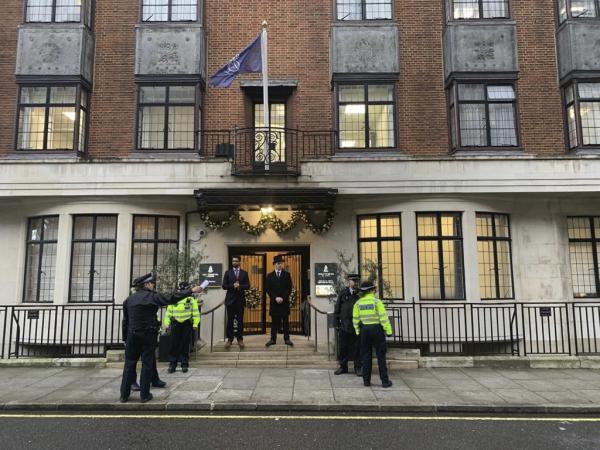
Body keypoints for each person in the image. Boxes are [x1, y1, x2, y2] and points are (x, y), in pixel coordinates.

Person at [119, 273, 203, 403]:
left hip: (132, 335)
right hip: (148, 335)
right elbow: (172, 297)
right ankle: (144, 395)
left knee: (129, 363)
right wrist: (191, 291)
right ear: (146, 284)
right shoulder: (152, 297)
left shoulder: (129, 300)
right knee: (147, 363)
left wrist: (125, 338)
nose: (153, 285)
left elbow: (125, 321)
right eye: (152, 283)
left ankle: (124, 395)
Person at [352, 281, 393, 388]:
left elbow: (355, 319)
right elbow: (383, 318)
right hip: (376, 329)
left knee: (366, 356)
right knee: (381, 356)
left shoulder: (358, 303)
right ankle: (385, 381)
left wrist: (357, 331)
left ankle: (366, 381)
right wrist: (388, 331)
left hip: (364, 330)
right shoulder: (376, 302)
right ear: (371, 290)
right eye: (374, 289)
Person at [164, 281, 200, 373]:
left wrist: (195, 324)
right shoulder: (174, 299)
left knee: (185, 344)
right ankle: (172, 364)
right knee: (173, 344)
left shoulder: (191, 299)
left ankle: (184, 364)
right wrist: (167, 323)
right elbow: (168, 313)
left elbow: (196, 313)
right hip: (175, 323)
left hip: (186, 324)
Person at [333, 273, 362, 376]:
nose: (356, 283)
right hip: (344, 325)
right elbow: (337, 308)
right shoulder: (343, 293)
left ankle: (358, 367)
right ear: (349, 282)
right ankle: (343, 367)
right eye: (354, 281)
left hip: (356, 325)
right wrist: (336, 323)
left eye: (357, 281)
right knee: (343, 347)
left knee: (357, 347)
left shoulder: (360, 294)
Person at [221, 255, 250, 348]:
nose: (234, 262)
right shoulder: (228, 273)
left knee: (240, 320)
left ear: (239, 262)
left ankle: (240, 339)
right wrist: (232, 286)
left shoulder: (244, 273)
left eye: (236, 261)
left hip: (240, 301)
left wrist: (240, 286)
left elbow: (248, 286)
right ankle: (230, 339)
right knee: (230, 320)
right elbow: (224, 286)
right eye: (233, 261)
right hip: (230, 301)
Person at [265, 255, 294, 347]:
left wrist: (283, 298)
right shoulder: (270, 276)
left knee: (285, 322)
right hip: (274, 303)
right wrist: (275, 298)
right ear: (274, 264)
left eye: (281, 263)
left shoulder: (287, 275)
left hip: (284, 302)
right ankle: (273, 339)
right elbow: (268, 289)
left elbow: (289, 288)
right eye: (278, 263)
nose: (280, 265)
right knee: (274, 322)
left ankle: (287, 339)